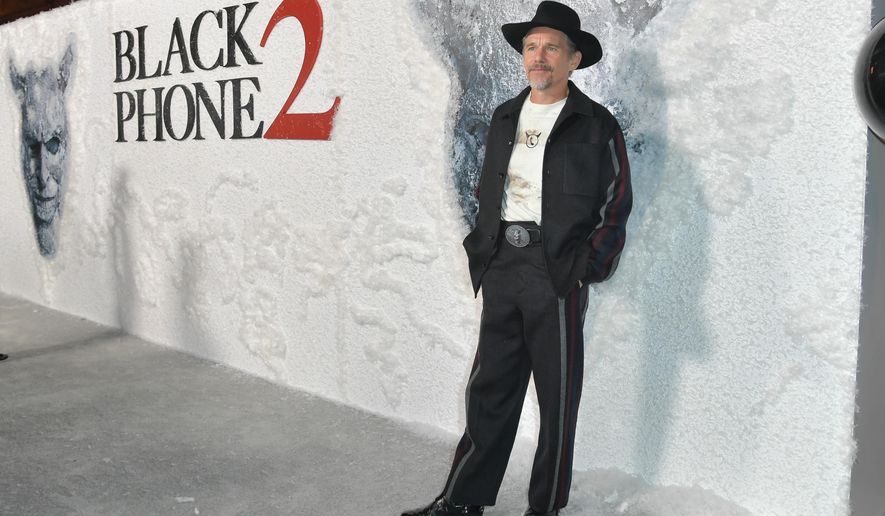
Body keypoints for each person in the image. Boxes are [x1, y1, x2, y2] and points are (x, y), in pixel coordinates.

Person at [403, 2, 633, 515]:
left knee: (556, 405)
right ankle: (462, 502)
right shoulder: (505, 116)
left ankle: (543, 509)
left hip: (556, 275)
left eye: (552, 47)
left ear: (574, 60)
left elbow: (616, 202)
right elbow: (488, 189)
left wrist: (584, 267)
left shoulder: (596, 124)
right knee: (489, 392)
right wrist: (484, 244)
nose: (539, 56)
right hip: (503, 265)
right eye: (532, 46)